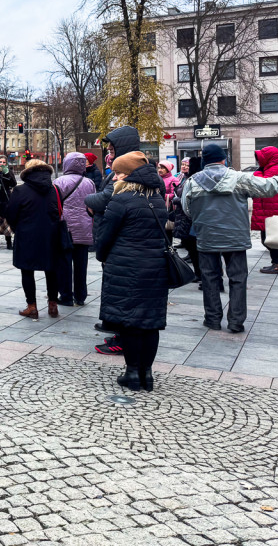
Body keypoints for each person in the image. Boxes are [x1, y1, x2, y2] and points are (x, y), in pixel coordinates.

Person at [184, 143, 278, 333]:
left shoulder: (193, 181)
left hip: (206, 237)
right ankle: (236, 322)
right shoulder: (239, 178)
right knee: (238, 279)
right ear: (224, 159)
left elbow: (188, 210)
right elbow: (270, 188)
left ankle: (212, 319)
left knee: (210, 278)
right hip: (235, 238)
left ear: (204, 161)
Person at [97, 151, 170, 392]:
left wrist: (102, 256)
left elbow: (105, 236)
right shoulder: (157, 198)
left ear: (129, 175)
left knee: (128, 322)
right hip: (155, 267)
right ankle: (146, 375)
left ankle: (131, 373)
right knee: (149, 322)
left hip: (125, 268)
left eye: (117, 173)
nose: (114, 177)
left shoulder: (121, 200)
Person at [85, 125, 163, 353]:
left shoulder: (125, 191)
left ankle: (126, 350)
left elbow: (105, 202)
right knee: (140, 309)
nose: (109, 153)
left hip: (124, 252)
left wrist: (89, 201)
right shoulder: (148, 190)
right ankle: (139, 365)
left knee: (126, 299)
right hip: (146, 257)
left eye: (111, 149)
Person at [6, 158, 60, 319]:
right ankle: (53, 305)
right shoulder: (55, 189)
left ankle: (32, 307)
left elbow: (10, 214)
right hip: (51, 236)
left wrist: (19, 229)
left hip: (27, 236)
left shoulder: (20, 191)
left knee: (27, 271)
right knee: (51, 271)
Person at [53, 152, 96, 307]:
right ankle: (80, 296)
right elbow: (93, 204)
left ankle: (66, 296)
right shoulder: (89, 182)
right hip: (84, 228)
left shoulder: (59, 181)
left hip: (66, 228)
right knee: (81, 264)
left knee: (64, 264)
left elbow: (55, 205)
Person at [250, 146, 278, 275]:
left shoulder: (275, 170)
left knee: (273, 239)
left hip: (273, 212)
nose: (258, 160)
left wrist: (258, 173)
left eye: (260, 158)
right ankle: (277, 262)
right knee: (268, 239)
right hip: (267, 211)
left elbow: (260, 185)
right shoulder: (266, 169)